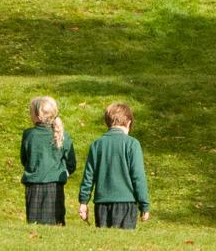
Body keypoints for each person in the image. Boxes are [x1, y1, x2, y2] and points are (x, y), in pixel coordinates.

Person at [76, 101, 150, 229]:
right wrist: (144, 205)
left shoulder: (97, 144)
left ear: (107, 122)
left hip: (101, 205)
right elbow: (138, 177)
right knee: (123, 244)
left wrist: (84, 202)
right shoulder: (132, 144)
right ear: (128, 122)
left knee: (105, 243)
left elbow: (88, 176)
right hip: (126, 203)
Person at [19, 95, 76, 226]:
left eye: (31, 111)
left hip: (33, 185)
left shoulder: (29, 134)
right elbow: (71, 163)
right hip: (55, 186)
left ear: (38, 115)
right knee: (56, 223)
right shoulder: (64, 135)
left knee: (34, 223)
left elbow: (24, 159)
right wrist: (64, 172)